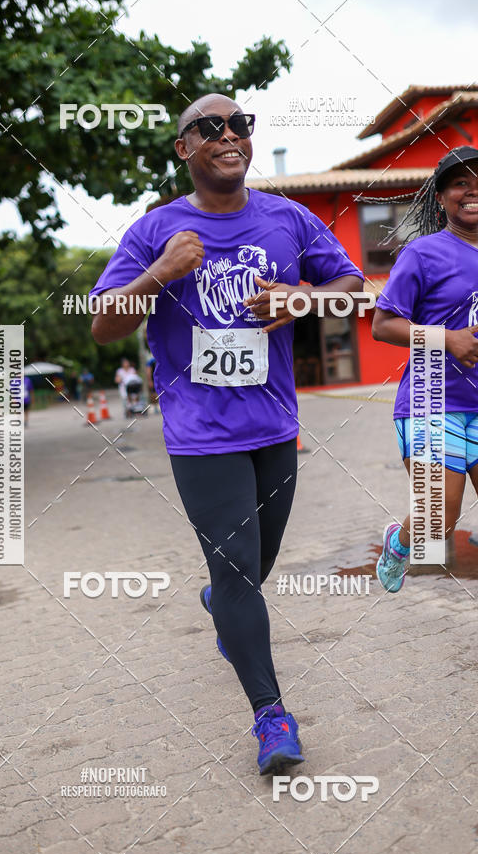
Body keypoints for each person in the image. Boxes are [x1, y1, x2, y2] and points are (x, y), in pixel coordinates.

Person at [90, 93, 364, 774]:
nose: (230, 135)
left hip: (273, 424)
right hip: (199, 432)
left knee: (254, 564)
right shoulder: (155, 230)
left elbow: (354, 288)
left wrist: (303, 297)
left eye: (240, 124)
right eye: (209, 128)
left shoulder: (288, 219)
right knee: (240, 567)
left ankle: (220, 603)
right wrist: (159, 275)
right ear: (183, 148)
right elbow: (102, 323)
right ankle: (272, 717)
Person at [371, 145, 478, 661]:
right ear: (442, 197)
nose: (472, 189)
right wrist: (447, 339)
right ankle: (400, 540)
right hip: (431, 397)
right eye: (460, 182)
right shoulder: (421, 253)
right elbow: (383, 324)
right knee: (439, 519)